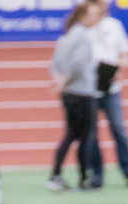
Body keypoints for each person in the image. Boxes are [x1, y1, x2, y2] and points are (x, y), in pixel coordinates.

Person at [84, 0, 128, 189]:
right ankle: (96, 176)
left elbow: (125, 52)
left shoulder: (114, 25)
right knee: (91, 135)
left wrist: (119, 70)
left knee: (119, 130)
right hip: (88, 88)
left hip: (111, 87)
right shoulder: (81, 29)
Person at [46, 2, 102, 193]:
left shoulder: (66, 36)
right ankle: (84, 178)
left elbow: (54, 64)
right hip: (82, 92)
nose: (97, 18)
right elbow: (77, 65)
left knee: (70, 134)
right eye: (94, 14)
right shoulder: (83, 37)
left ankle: (56, 174)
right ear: (83, 16)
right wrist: (66, 81)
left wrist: (60, 81)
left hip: (68, 93)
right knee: (84, 137)